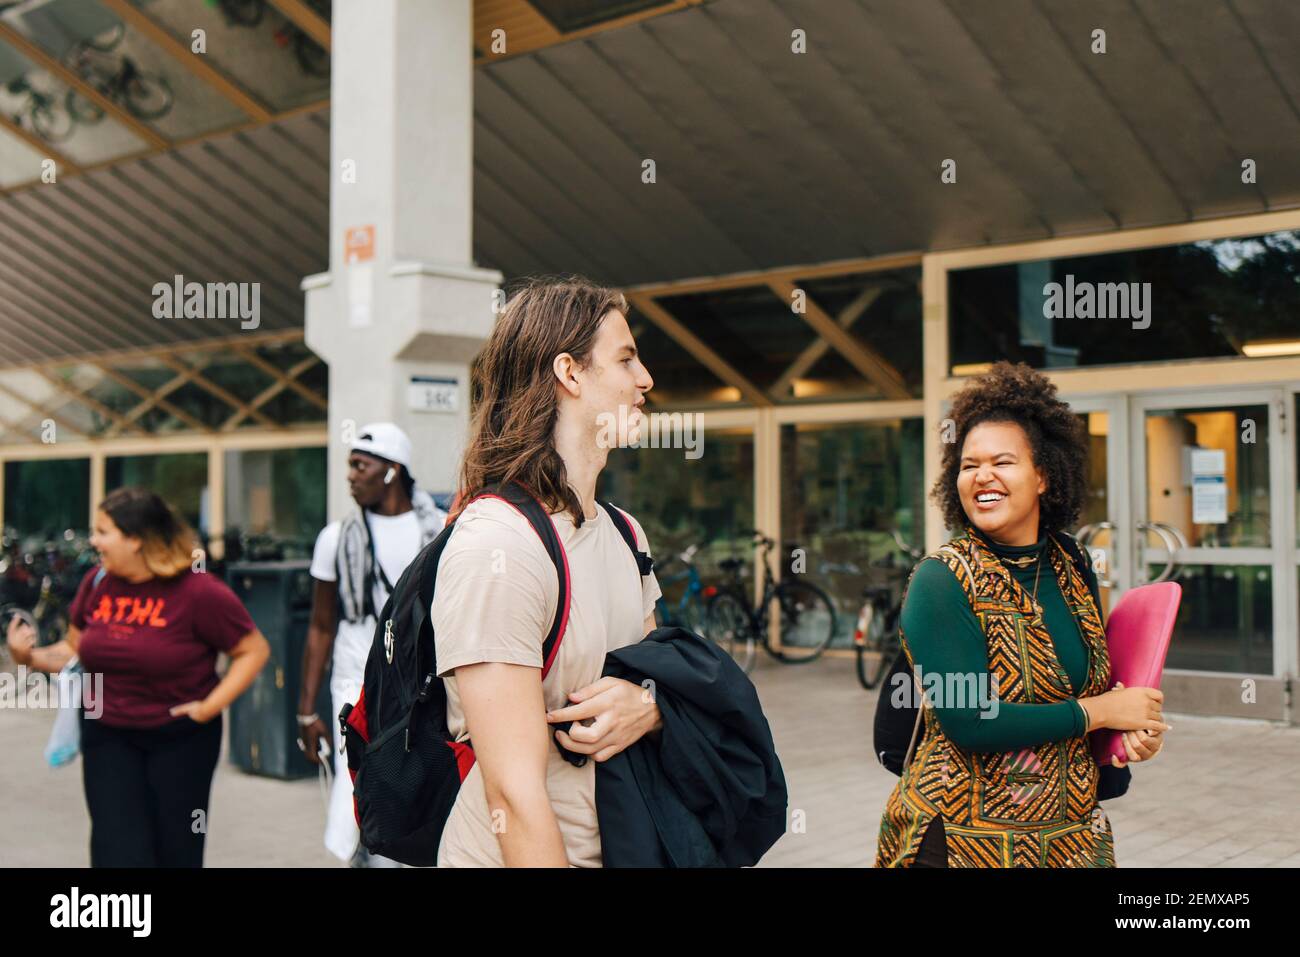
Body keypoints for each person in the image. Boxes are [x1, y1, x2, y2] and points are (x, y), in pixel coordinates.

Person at [875, 361, 1170, 868]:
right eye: (969, 465)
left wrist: (1126, 732)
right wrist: (1100, 713)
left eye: (1002, 461)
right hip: (962, 843)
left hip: (1072, 839)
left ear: (1044, 477)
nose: (982, 476)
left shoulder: (1073, 564)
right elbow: (971, 720)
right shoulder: (942, 580)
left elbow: (1082, 692)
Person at [432, 276, 663, 867]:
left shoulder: (624, 532)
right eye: (626, 358)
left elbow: (655, 675)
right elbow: (513, 789)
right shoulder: (497, 544)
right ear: (570, 373)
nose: (645, 380)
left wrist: (651, 704)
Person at [6, 487, 270, 867]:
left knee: (176, 851)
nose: (93, 540)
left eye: (102, 531)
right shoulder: (98, 583)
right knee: (116, 850)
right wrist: (26, 656)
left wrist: (209, 707)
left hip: (179, 741)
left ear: (136, 539)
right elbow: (72, 650)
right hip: (107, 735)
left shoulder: (198, 591)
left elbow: (252, 650)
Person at [298, 422, 446, 867]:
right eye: (350, 465)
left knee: (415, 774)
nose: (351, 476)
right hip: (355, 675)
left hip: (420, 676)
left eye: (361, 465)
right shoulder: (335, 538)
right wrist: (307, 710)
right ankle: (364, 855)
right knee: (359, 777)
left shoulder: (439, 531)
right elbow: (322, 626)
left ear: (391, 470)